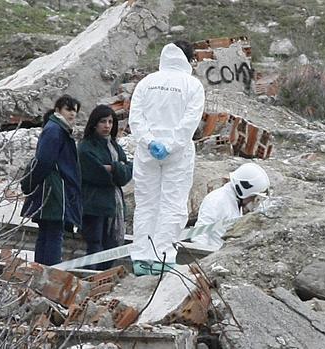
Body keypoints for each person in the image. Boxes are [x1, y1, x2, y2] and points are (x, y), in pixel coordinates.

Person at [128, 40, 205, 276]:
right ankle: (162, 259)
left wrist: (150, 141)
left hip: (147, 152)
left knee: (146, 205)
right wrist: (169, 145)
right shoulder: (192, 85)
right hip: (178, 154)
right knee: (172, 205)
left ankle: (142, 259)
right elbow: (189, 123)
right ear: (189, 59)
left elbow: (135, 118)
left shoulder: (146, 83)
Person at [21, 95, 82, 266]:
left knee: (47, 232)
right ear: (58, 110)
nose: (72, 114)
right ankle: (50, 272)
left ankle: (41, 270)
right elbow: (44, 161)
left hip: (51, 187)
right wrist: (32, 183)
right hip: (53, 188)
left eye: (75, 112)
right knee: (54, 233)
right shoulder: (55, 130)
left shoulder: (55, 128)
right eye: (68, 109)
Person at [78, 105, 133, 270]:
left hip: (113, 206)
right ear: (94, 123)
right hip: (93, 206)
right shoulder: (86, 147)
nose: (107, 125)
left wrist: (113, 167)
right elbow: (97, 174)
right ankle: (91, 279)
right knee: (95, 246)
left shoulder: (114, 146)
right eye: (103, 121)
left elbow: (126, 174)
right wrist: (118, 168)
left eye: (110, 121)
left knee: (111, 247)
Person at [192, 163, 270, 249]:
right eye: (253, 197)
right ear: (244, 190)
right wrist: (202, 259)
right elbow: (200, 234)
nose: (253, 201)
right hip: (212, 254)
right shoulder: (217, 200)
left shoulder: (235, 203)